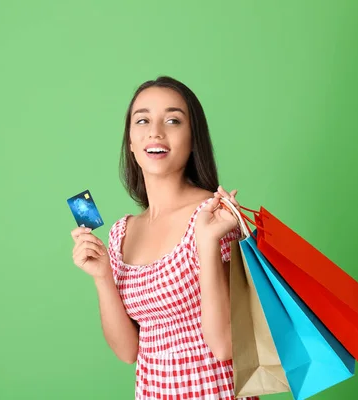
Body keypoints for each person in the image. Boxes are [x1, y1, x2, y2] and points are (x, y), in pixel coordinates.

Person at [70, 76, 258, 400]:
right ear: (130, 141)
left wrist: (208, 242)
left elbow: (224, 344)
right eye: (142, 120)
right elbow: (128, 352)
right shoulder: (121, 233)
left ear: (193, 139)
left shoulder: (213, 216)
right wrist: (102, 276)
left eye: (173, 120)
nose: (155, 132)